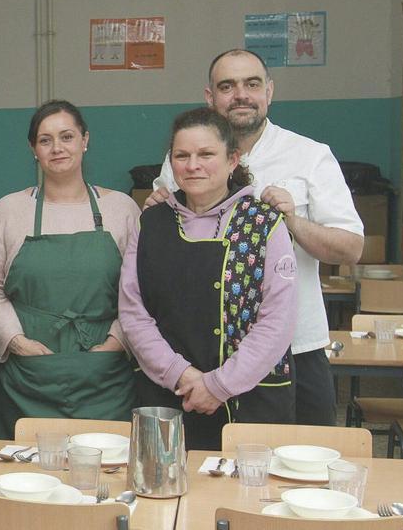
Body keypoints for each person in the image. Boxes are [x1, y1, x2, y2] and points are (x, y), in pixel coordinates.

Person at [148, 49, 363, 427]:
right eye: (227, 86)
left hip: (296, 347)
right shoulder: (182, 158)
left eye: (251, 84)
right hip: (202, 351)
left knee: (302, 456)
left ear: (269, 91)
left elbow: (351, 249)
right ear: (210, 97)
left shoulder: (310, 156)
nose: (240, 95)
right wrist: (155, 211)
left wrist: (293, 222)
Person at [122, 107, 298, 450]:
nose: (193, 165)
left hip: (252, 399)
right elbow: (133, 312)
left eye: (206, 154)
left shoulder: (265, 223)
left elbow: (278, 320)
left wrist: (218, 385)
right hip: (169, 393)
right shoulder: (150, 223)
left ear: (232, 160)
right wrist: (181, 375)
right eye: (182, 156)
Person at [0, 101, 139, 440]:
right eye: (45, 140)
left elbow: (140, 291)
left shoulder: (122, 209)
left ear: (85, 140)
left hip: (105, 373)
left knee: (106, 465)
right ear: (33, 149)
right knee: (24, 467)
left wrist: (116, 341)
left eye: (67, 136)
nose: (57, 148)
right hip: (26, 375)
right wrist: (16, 342)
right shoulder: (8, 210)